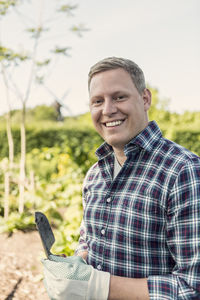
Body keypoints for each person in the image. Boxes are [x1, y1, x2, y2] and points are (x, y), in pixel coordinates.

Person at [42, 57, 200, 300]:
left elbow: (192, 286)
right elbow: (89, 241)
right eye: (97, 101)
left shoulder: (183, 171)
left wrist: (99, 287)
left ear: (145, 99)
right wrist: (76, 267)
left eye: (119, 97)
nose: (107, 110)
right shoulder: (95, 174)